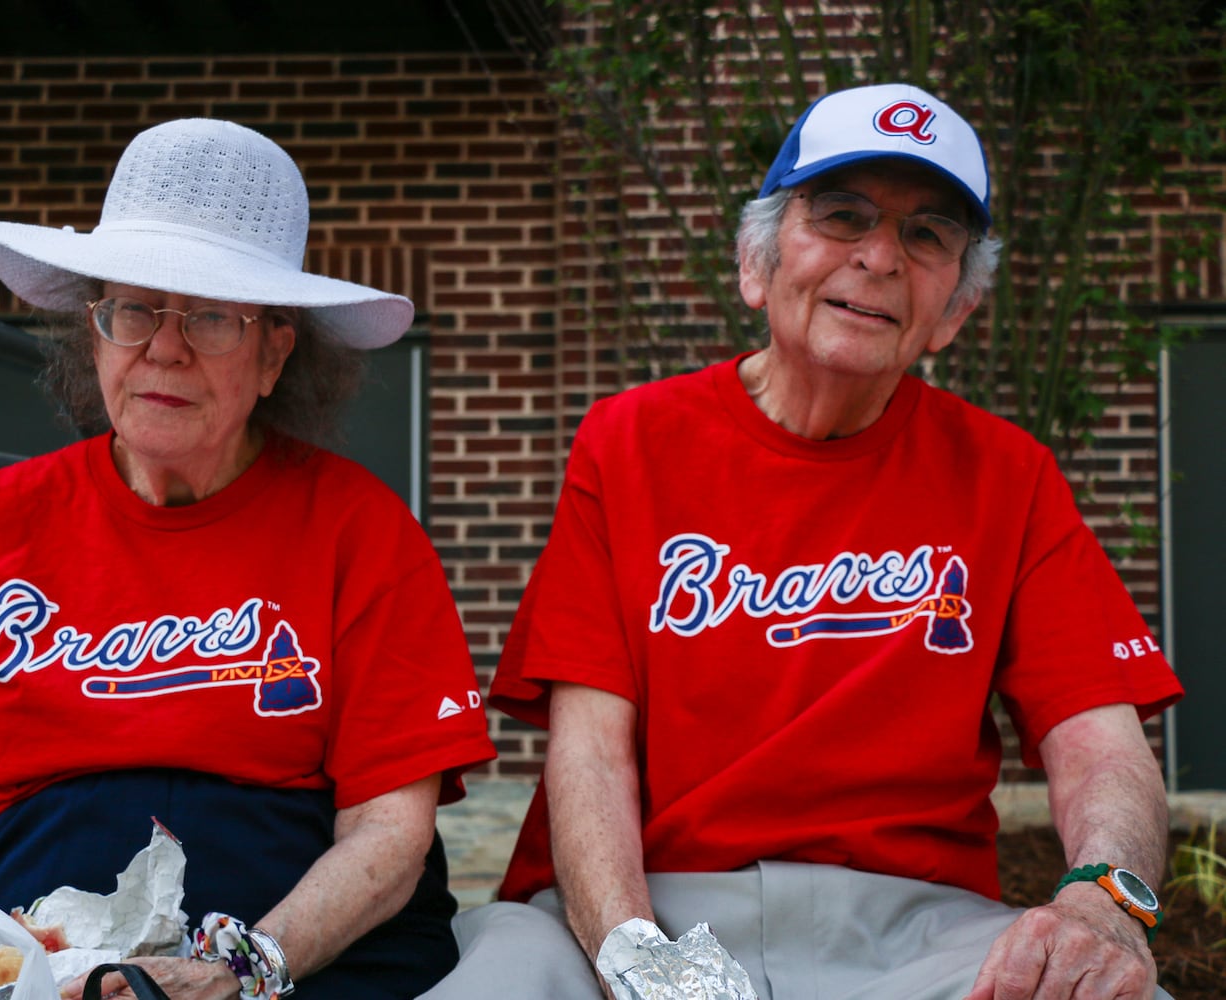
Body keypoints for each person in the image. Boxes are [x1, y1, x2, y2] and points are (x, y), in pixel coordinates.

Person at [420, 83, 1184, 1000]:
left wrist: (1104, 902)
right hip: (634, 908)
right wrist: (635, 952)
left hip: (916, 932)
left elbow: (1099, 742)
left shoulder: (1007, 475)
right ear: (757, 263)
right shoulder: (630, 442)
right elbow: (588, 749)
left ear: (953, 313)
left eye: (928, 235)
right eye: (841, 214)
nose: (880, 257)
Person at [0, 118, 496, 1000]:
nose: (163, 346)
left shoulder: (361, 528)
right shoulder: (3, 520)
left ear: (276, 352)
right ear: (96, 330)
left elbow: (391, 832)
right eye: (132, 310)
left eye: (212, 319)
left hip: (299, 968)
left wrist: (241, 969)